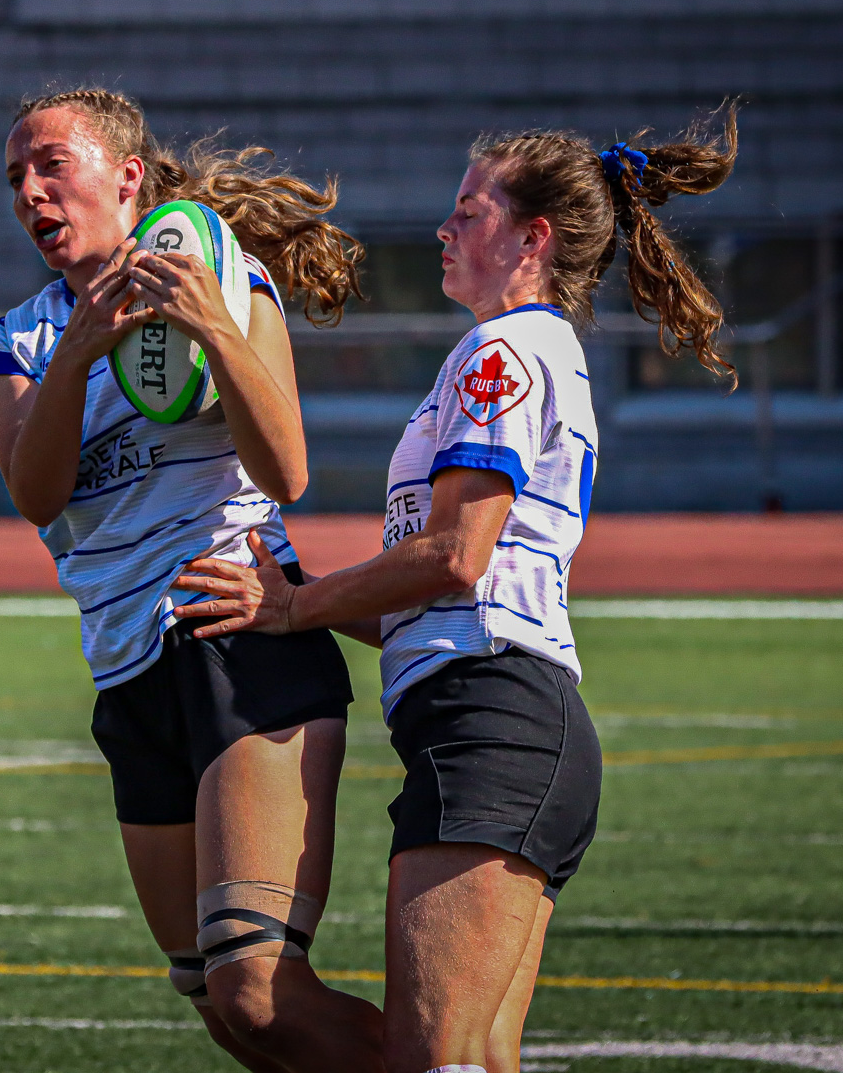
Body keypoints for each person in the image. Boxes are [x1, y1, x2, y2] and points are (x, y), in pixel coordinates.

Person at [173, 108, 739, 1073]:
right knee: (466, 1060)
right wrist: (296, 589)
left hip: (494, 721)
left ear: (534, 238)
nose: (445, 228)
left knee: (430, 1058)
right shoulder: (515, 350)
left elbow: (454, 558)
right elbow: (430, 598)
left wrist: (296, 606)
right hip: (498, 719)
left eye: (468, 211)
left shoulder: (502, 354)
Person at [0, 87, 382, 1073]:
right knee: (217, 1002)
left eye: (52, 164)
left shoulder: (223, 277)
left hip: (234, 636)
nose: (30, 190)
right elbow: (36, 493)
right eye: (15, 176)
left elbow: (287, 473)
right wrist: (83, 346)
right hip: (125, 675)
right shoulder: (18, 339)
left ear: (128, 177)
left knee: (260, 990)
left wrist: (213, 325)